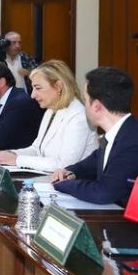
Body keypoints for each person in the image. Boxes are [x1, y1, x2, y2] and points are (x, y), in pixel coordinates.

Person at [51, 67, 138, 205]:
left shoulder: (132, 141)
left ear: (96, 106)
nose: (84, 105)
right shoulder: (121, 132)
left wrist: (63, 185)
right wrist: (70, 171)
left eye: (85, 100)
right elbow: (96, 160)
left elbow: (103, 193)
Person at [0, 60, 98, 172]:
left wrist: (17, 160)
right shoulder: (51, 110)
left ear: (58, 86)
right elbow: (37, 150)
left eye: (38, 88)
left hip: (75, 181)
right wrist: (11, 154)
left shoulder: (78, 116)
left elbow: (65, 165)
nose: (32, 95)